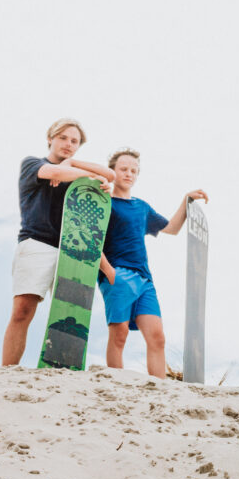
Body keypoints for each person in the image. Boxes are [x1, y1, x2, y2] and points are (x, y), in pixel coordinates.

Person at [3, 118, 118, 366]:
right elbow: (54, 172)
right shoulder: (32, 164)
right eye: (63, 138)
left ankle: (61, 370)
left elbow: (110, 175)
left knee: (70, 315)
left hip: (72, 251)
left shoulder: (75, 177)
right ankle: (6, 372)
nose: (68, 144)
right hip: (36, 244)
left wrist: (73, 164)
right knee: (23, 310)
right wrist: (82, 173)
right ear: (50, 138)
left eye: (74, 141)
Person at [96, 149, 208, 378]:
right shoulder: (103, 202)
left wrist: (185, 201)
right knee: (120, 335)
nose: (128, 174)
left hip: (145, 280)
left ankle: (161, 390)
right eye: (123, 169)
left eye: (133, 171)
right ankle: (116, 384)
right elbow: (90, 240)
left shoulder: (142, 207)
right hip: (117, 276)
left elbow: (171, 229)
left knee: (157, 337)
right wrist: (108, 271)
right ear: (112, 171)